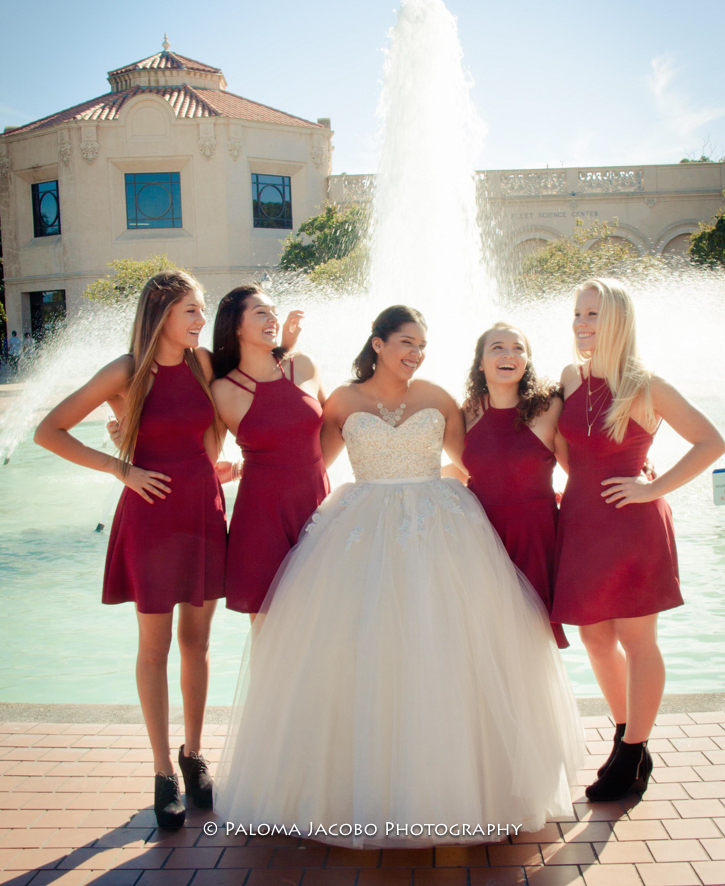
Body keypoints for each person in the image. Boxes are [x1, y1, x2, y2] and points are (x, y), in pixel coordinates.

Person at [215, 305, 584, 847]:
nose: (416, 353)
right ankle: (359, 787)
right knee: (364, 649)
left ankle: (456, 784)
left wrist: (537, 483)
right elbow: (308, 459)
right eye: (407, 343)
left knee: (445, 648)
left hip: (441, 527)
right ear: (378, 343)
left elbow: (475, 458)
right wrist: (243, 467)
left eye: (422, 346)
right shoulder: (342, 400)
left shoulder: (437, 398)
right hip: (363, 529)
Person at [34, 270, 228, 829]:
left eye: (203, 310)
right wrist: (122, 469)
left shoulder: (203, 363)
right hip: (149, 519)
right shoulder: (125, 371)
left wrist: (216, 469)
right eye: (191, 310)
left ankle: (194, 756)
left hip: (202, 512)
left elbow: (212, 432)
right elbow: (49, 431)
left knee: (198, 641)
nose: (200, 320)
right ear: (162, 313)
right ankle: (162, 769)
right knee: (155, 647)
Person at [552, 278, 725, 801]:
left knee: (635, 640)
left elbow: (711, 441)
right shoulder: (568, 376)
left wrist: (652, 487)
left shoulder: (645, 385)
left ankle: (630, 751)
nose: (582, 324)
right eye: (578, 314)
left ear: (618, 322)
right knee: (595, 639)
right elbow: (565, 448)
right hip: (581, 521)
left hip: (631, 526)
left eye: (593, 315)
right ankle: (630, 738)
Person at [210, 285, 329, 616]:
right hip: (260, 518)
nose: (274, 318)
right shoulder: (221, 390)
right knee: (268, 628)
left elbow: (337, 429)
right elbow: (201, 456)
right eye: (261, 312)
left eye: (274, 311)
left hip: (317, 508)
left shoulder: (303, 366)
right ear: (235, 325)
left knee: (325, 622)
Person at [450, 322, 569, 649]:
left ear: (527, 360)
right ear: (480, 362)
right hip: (481, 534)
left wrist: (634, 467)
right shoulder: (469, 411)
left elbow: (580, 465)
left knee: (533, 636)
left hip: (536, 533)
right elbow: (460, 468)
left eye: (518, 348)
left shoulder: (549, 407)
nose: (509, 354)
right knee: (488, 638)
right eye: (497, 347)